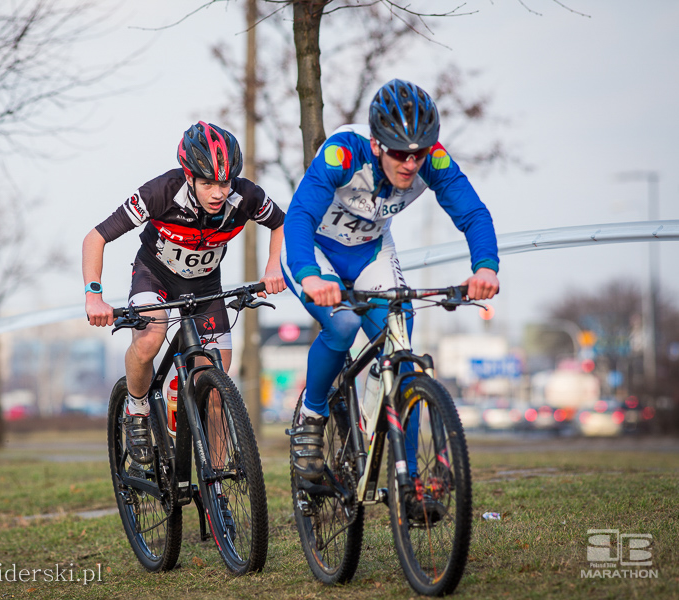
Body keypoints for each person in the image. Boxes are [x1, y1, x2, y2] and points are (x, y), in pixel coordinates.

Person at [283, 79, 500, 481]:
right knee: (344, 324)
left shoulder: (432, 161)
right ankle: (311, 418)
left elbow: (472, 213)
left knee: (402, 357)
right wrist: (309, 276)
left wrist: (485, 266)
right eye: (400, 153)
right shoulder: (342, 154)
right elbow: (299, 218)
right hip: (316, 250)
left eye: (419, 153)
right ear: (377, 143)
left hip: (371, 252)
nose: (410, 164)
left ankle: (411, 481)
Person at [83, 121, 286, 464]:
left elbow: (281, 223)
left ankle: (218, 487)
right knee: (149, 339)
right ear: (189, 176)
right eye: (207, 183)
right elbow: (96, 237)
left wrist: (273, 266)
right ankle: (137, 409)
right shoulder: (161, 192)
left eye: (224, 183)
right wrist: (94, 295)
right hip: (154, 276)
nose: (218, 193)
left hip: (205, 286)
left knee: (218, 386)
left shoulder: (247, 196)